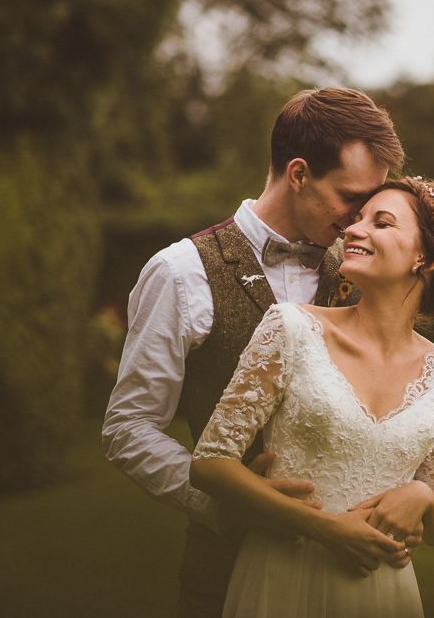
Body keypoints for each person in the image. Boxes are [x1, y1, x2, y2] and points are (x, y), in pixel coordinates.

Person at [102, 87, 408, 616]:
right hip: (223, 570)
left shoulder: (359, 269)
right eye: (351, 198)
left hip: (348, 577)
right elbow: (128, 427)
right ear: (298, 174)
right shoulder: (180, 272)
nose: (361, 220)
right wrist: (224, 504)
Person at [190, 176, 434, 617]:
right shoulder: (291, 328)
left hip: (383, 592)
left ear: (424, 258)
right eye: (358, 219)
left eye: (381, 223)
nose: (353, 230)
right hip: (283, 577)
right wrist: (325, 528)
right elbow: (210, 463)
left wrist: (422, 497)